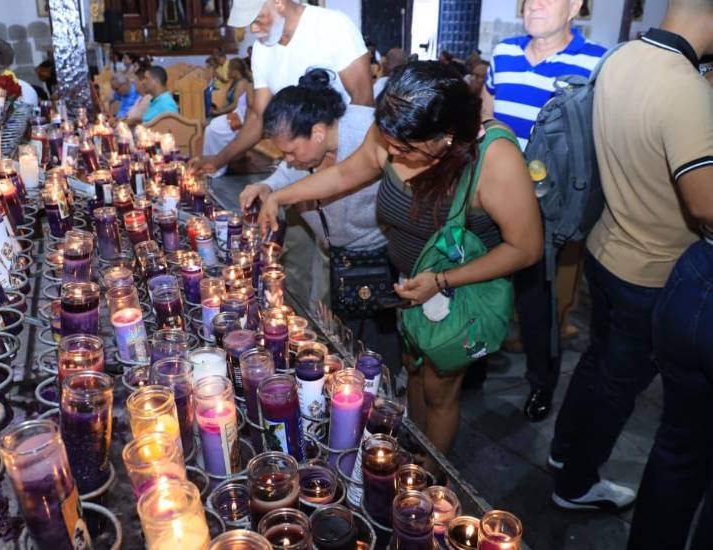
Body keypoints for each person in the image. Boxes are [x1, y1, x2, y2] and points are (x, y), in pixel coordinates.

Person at [256, 62, 543, 453]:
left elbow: (525, 249)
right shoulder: (396, 129)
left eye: (406, 150)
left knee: (441, 389)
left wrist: (441, 282)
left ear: (447, 138)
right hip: (410, 284)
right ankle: (413, 448)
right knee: (414, 373)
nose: (391, 152)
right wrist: (278, 195)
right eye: (388, 141)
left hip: (455, 291)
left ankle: (431, 474)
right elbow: (343, 176)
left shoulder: (495, 159)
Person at [550, 0, 713, 517]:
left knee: (599, 363)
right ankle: (576, 482)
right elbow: (704, 203)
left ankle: (561, 452)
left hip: (607, 244)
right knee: (620, 384)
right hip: (652, 268)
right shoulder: (684, 87)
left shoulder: (622, 56)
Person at [483, 0, 606, 422]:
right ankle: (475, 365)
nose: (533, 3)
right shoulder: (504, 54)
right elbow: (487, 118)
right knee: (484, 287)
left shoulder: (596, 63)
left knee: (538, 304)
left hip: (547, 208)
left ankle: (541, 385)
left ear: (575, 6)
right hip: (495, 198)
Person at [238, 68, 399, 373]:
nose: (289, 158)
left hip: (375, 255)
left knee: (378, 342)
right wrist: (268, 186)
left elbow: (341, 178)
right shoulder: (307, 149)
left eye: (292, 150)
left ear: (318, 132)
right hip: (332, 253)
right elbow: (292, 170)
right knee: (333, 332)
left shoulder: (368, 132)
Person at [192, 0, 374, 175]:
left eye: (257, 20)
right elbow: (257, 116)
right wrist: (218, 160)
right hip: (298, 159)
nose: (253, 29)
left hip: (345, 155)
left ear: (278, 2)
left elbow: (363, 102)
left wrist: (339, 164)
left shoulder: (332, 26)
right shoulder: (262, 50)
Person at [203, 59, 255, 176]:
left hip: (241, 118)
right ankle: (213, 160)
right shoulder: (236, 82)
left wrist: (219, 112)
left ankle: (216, 166)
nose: (228, 72)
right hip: (237, 114)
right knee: (210, 127)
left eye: (229, 70)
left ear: (235, 71)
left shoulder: (244, 84)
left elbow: (243, 105)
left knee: (211, 129)